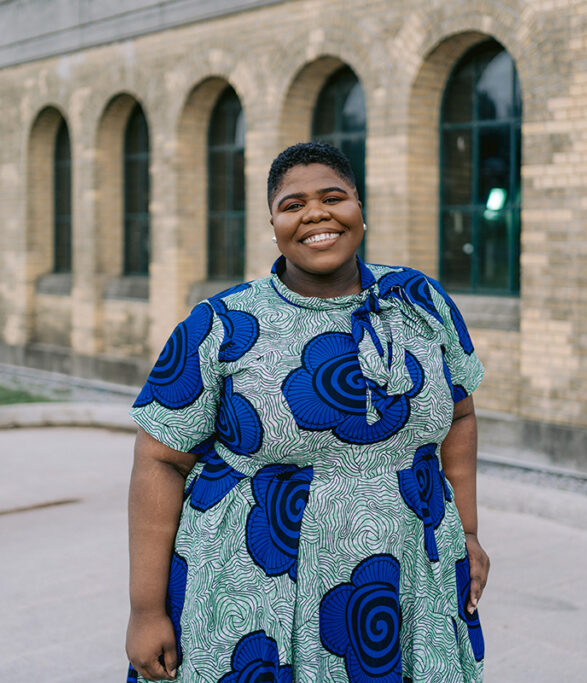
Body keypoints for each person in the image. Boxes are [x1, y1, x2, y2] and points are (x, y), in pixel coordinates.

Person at [126, 141, 489, 682]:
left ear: (359, 209)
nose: (315, 213)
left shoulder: (421, 300)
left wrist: (468, 534)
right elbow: (159, 460)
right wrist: (146, 609)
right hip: (256, 584)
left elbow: (459, 416)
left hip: (408, 577)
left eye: (333, 197)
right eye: (292, 205)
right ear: (272, 224)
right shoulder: (222, 324)